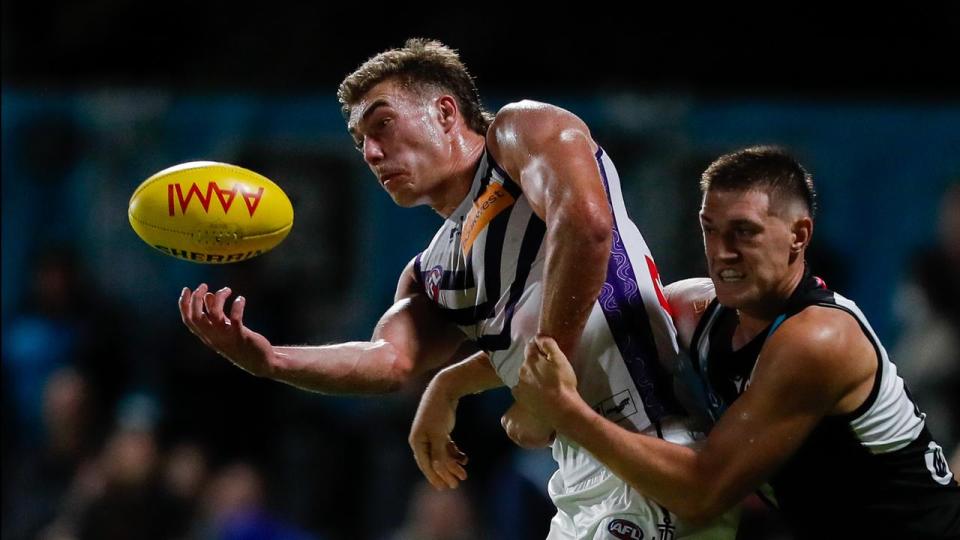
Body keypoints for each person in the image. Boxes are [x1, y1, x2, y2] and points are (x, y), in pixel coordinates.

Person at [178, 39, 736, 539]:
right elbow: (391, 361)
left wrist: (542, 389)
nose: (371, 153)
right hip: (579, 482)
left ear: (445, 112)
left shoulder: (520, 134)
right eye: (359, 141)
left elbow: (587, 226)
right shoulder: (433, 269)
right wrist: (271, 359)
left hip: (652, 454)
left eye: (382, 126)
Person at [510, 146, 960, 539]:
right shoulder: (699, 310)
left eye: (744, 232)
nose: (721, 251)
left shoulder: (819, 339)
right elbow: (586, 328)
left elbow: (702, 492)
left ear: (798, 236)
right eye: (710, 228)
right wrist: (450, 389)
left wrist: (568, 410)